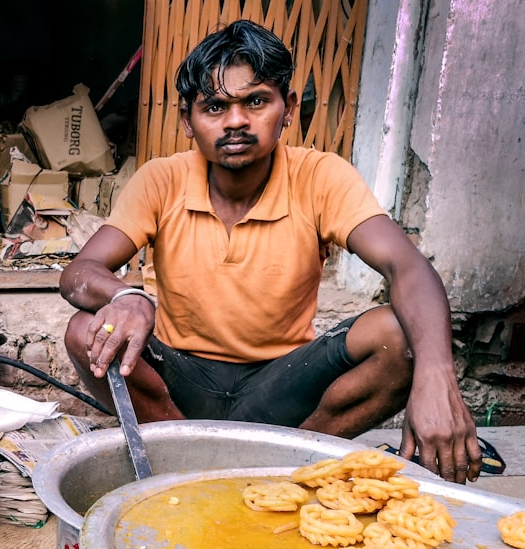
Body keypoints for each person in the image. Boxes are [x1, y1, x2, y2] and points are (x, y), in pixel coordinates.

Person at [60, 20, 481, 484]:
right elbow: (80, 272)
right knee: (85, 329)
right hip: (180, 385)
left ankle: (288, 472)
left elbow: (407, 265)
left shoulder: (321, 177)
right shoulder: (162, 179)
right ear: (187, 120)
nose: (236, 120)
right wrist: (127, 297)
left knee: (397, 336)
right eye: (215, 107)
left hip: (283, 385)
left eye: (256, 101)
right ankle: (186, 465)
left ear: (288, 110)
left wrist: (439, 376)